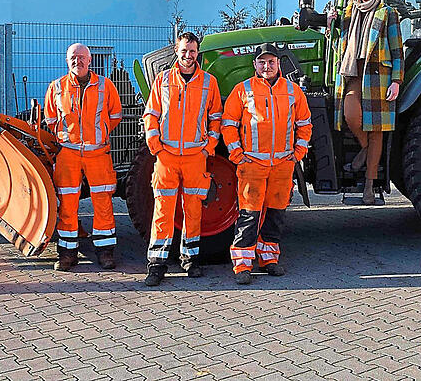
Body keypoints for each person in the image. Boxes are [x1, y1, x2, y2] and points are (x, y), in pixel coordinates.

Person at [221, 43, 312, 285]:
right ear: (255, 65)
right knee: (249, 215)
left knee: (275, 214)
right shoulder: (242, 90)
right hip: (252, 165)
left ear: (278, 63)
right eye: (262, 62)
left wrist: (298, 153)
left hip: (282, 165)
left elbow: (305, 124)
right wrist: (238, 155)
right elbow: (228, 124)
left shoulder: (293, 91)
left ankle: (269, 260)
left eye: (271, 61)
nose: (267, 66)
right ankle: (242, 265)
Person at [142, 32, 222, 286]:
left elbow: (216, 118)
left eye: (192, 51)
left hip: (195, 157)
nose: (188, 55)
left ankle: (191, 258)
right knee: (163, 211)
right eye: (184, 50)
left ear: (198, 53)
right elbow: (151, 114)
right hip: (166, 157)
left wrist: (208, 148)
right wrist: (156, 147)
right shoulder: (163, 80)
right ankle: (157, 263)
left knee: (193, 209)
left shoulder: (209, 82)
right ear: (176, 51)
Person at [43, 43, 123, 271]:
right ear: (67, 61)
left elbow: (115, 115)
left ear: (90, 60)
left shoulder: (106, 86)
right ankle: (67, 254)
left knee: (103, 201)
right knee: (67, 203)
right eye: (73, 57)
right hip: (68, 154)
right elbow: (50, 119)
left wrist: (99, 133)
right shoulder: (57, 87)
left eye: (81, 57)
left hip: (98, 153)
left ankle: (105, 252)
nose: (77, 61)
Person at [329, 0, 404, 205]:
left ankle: (369, 186)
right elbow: (338, 47)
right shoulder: (349, 14)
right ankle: (363, 149)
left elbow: (397, 50)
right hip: (354, 75)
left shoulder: (387, 13)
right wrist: (331, 24)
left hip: (377, 76)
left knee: (376, 131)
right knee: (351, 115)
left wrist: (396, 81)